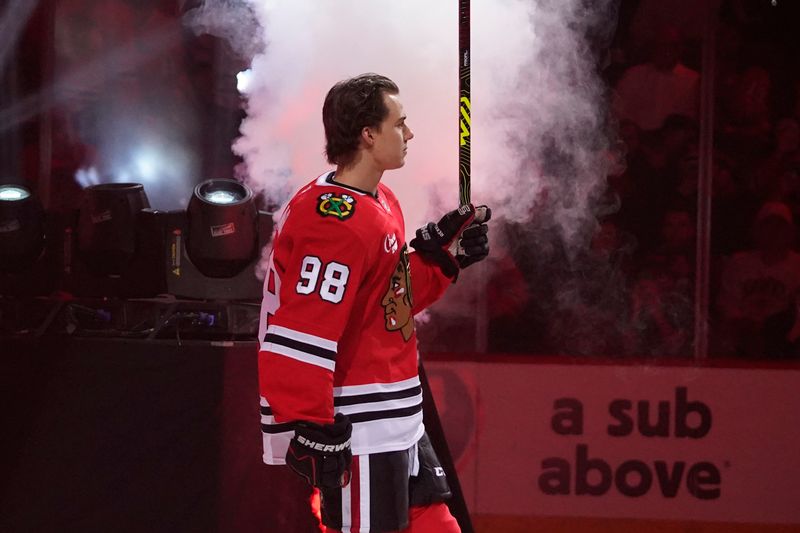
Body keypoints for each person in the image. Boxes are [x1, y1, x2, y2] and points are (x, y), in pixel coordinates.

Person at [257, 73, 490, 533]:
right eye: (399, 124)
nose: (409, 134)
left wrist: (441, 261)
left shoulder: (380, 199)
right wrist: (313, 424)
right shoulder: (332, 221)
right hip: (361, 427)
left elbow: (389, 303)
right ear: (368, 134)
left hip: (399, 416)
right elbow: (301, 330)